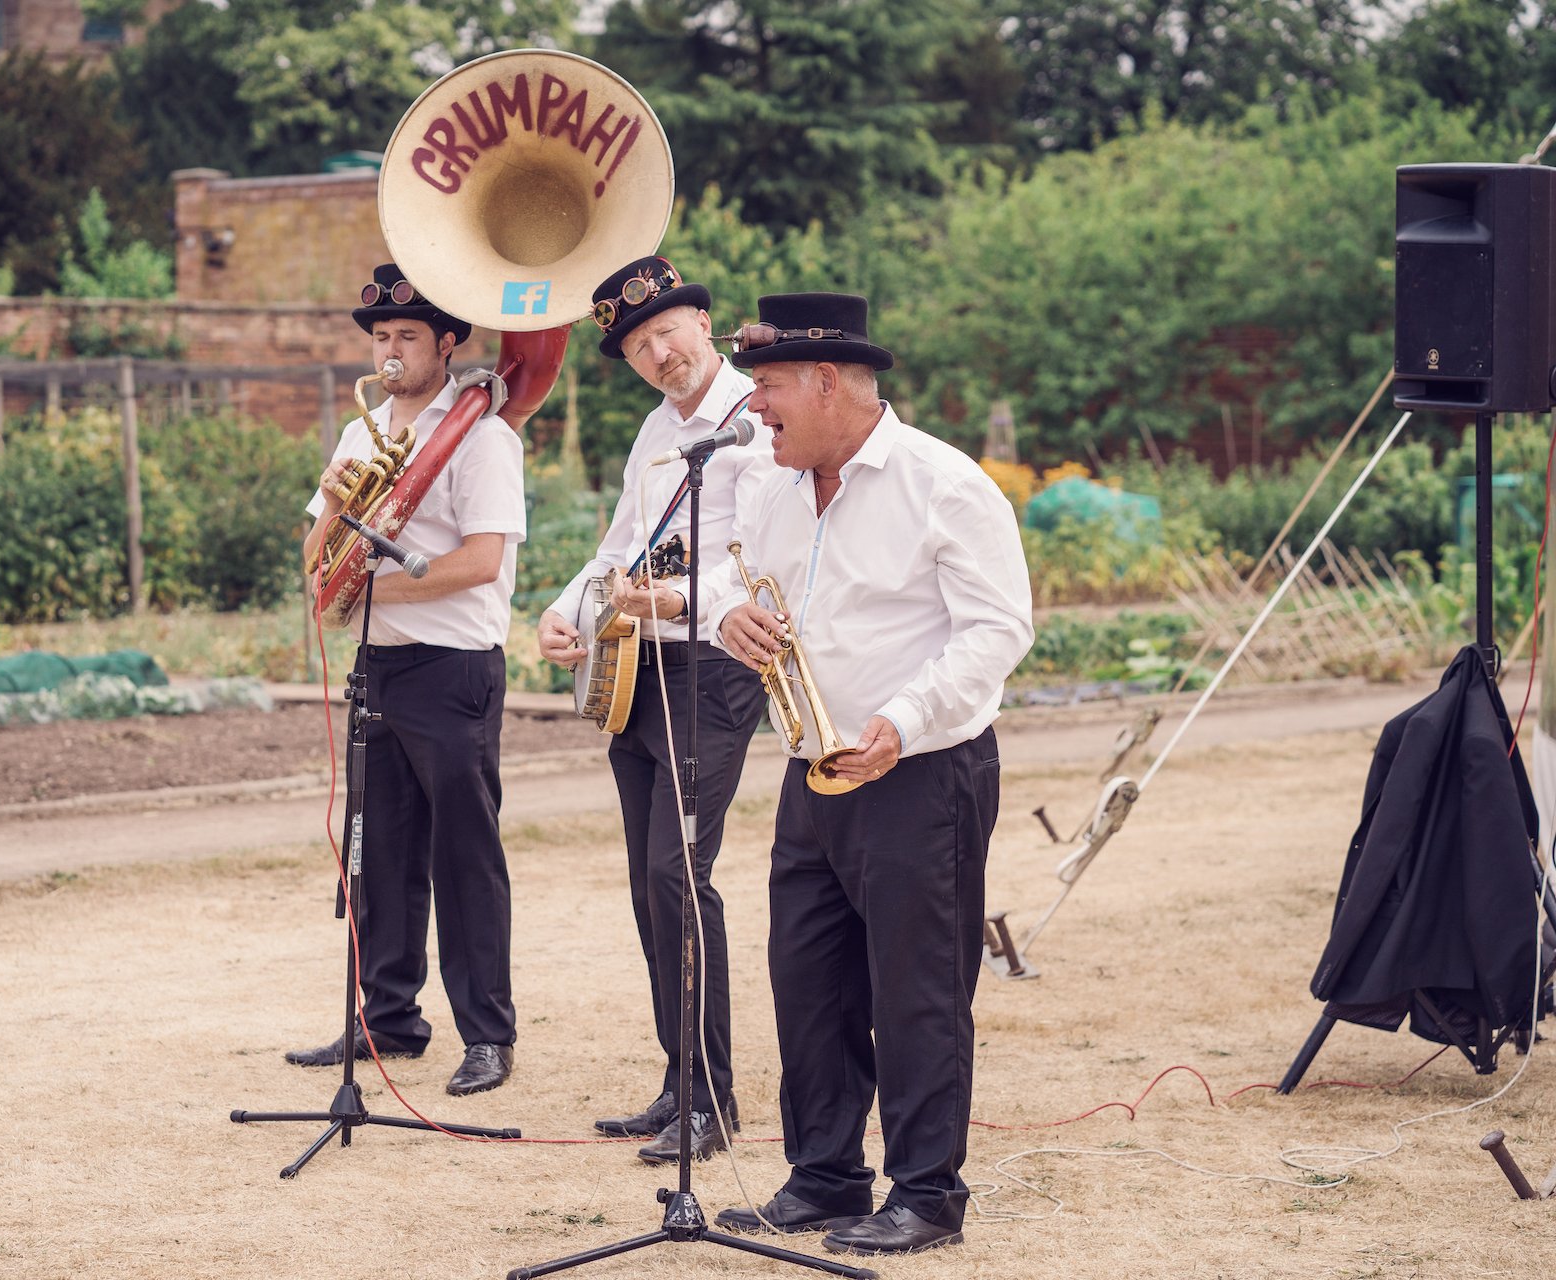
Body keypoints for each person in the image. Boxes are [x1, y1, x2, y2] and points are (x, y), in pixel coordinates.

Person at [702, 293, 1033, 1255]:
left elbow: (999, 628)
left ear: (828, 382)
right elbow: (730, 574)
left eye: (765, 387)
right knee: (809, 983)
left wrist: (904, 719)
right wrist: (727, 614)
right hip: (813, 769)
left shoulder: (945, 483)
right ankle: (826, 1177)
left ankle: (928, 1194)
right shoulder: (770, 481)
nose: (752, 406)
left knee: (917, 990)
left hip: (922, 775)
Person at [536, 256, 776, 1163]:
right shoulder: (652, 430)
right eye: (638, 346)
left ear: (704, 322)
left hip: (712, 668)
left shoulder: (758, 418)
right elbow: (622, 543)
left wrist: (674, 602)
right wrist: (570, 607)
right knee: (649, 881)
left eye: (667, 331)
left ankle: (712, 1100)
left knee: (681, 875)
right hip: (639, 667)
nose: (658, 354)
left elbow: (765, 553)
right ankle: (681, 1079)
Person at [286, 263, 525, 1097]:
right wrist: (325, 524)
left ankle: (488, 1035)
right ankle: (388, 1018)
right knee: (378, 855)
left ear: (446, 343)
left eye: (407, 338)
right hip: (378, 667)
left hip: (453, 668)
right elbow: (314, 558)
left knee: (464, 858)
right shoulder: (360, 436)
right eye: (380, 338)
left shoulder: (483, 437)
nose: (390, 353)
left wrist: (372, 580)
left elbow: (482, 562)